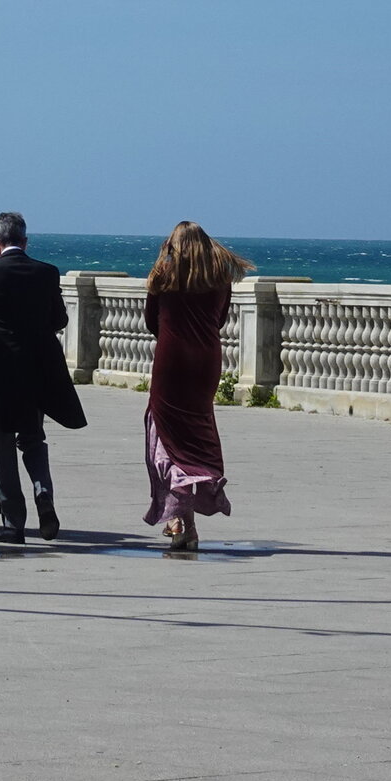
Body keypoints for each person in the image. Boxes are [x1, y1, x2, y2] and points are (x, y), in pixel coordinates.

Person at [0, 211, 86, 544]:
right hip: (38, 372)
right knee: (33, 438)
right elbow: (59, 319)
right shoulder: (46, 273)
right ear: (24, 241)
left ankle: (14, 522)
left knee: (2, 444)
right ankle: (44, 494)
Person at [143, 221, 251, 552]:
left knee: (165, 434)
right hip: (206, 361)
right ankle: (187, 522)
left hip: (171, 359)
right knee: (196, 431)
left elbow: (151, 320)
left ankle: (177, 519)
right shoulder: (220, 278)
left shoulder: (162, 275)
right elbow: (219, 320)